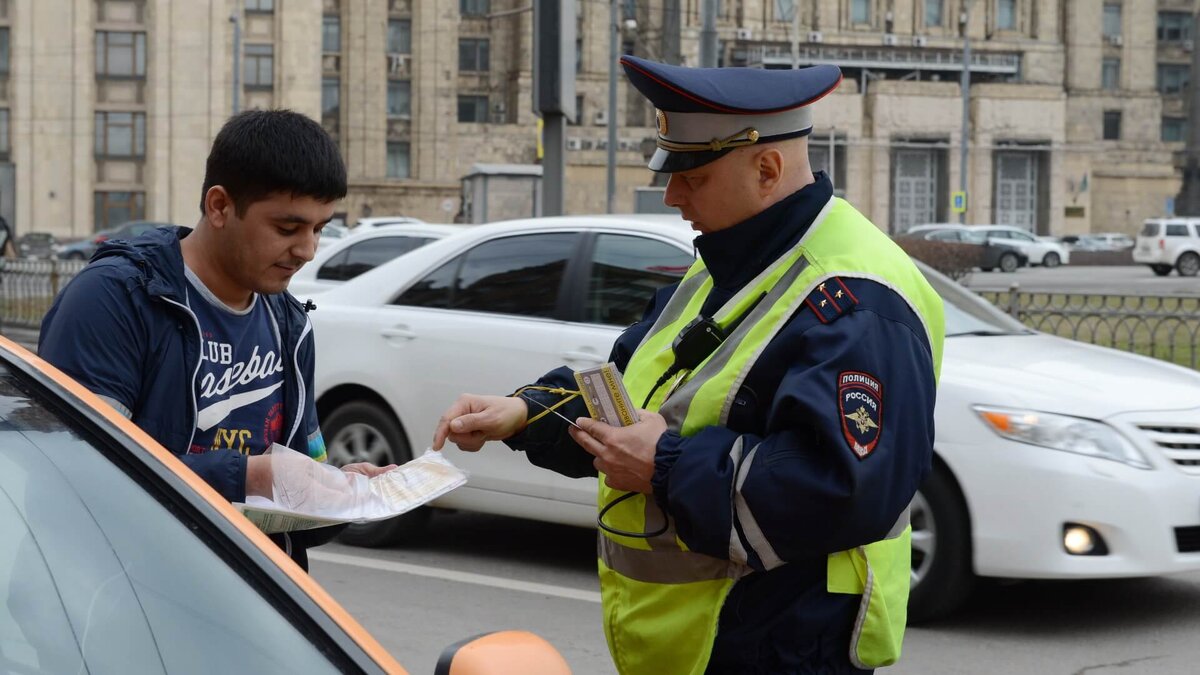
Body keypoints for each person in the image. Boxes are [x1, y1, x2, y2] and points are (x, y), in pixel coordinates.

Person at [434, 56, 945, 674]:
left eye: (692, 177)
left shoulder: (858, 298)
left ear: (767, 167)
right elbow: (635, 391)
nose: (671, 195)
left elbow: (844, 488)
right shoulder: (729, 260)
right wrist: (525, 412)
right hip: (702, 645)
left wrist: (665, 466)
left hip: (780, 647)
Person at [38, 109, 392, 570]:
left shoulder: (289, 321)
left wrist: (344, 493)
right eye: (287, 229)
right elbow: (80, 468)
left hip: (248, 598)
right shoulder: (116, 299)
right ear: (219, 206)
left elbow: (294, 492)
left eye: (319, 228)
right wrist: (249, 477)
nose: (306, 251)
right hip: (123, 599)